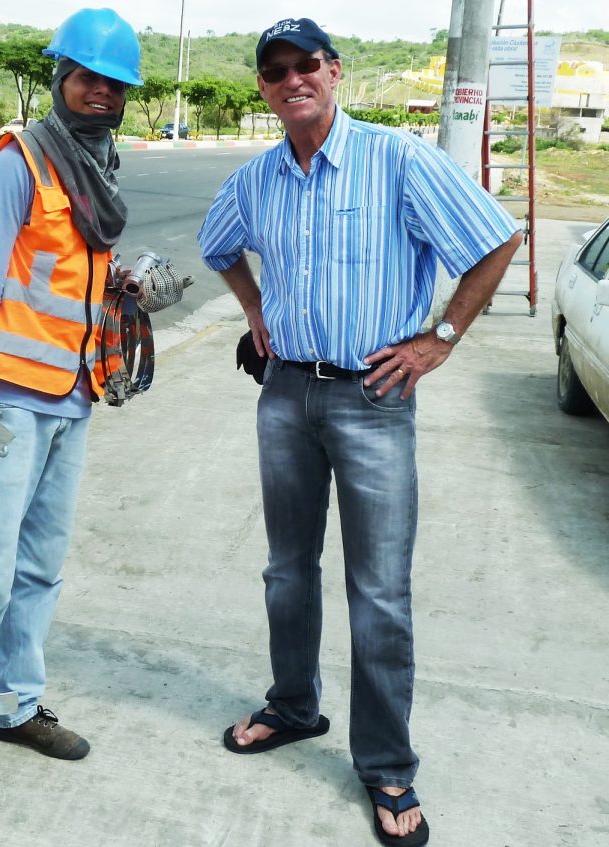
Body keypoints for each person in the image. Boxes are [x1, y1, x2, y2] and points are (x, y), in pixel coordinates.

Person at [198, 17, 522, 847]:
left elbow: (494, 239)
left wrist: (438, 339)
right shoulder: (260, 177)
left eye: (306, 64)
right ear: (265, 88)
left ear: (334, 71)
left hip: (373, 400)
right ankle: (294, 705)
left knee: (379, 593)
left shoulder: (398, 159)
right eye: (275, 71)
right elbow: (217, 244)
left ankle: (385, 764)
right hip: (284, 395)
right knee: (286, 570)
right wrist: (254, 306)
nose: (291, 79)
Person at [0, 8, 143, 821]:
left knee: (41, 567)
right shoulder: (22, 161)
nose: (99, 92)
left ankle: (13, 705)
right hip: (7, 398)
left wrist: (124, 288)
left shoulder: (100, 165)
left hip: (73, 397)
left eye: (113, 84)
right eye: (86, 77)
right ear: (60, 79)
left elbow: (73, 279)